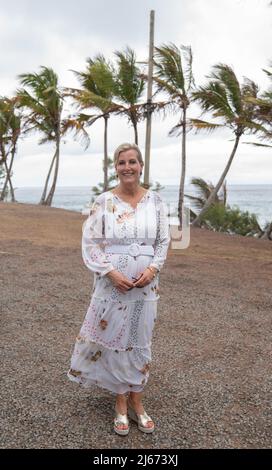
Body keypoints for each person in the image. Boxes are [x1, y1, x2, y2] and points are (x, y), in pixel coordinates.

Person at [67, 142, 170, 436]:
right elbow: (90, 243)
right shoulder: (103, 202)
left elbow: (163, 241)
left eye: (132, 162)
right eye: (121, 162)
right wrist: (110, 272)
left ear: (141, 166)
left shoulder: (157, 202)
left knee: (140, 337)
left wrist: (153, 268)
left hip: (146, 286)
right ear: (116, 168)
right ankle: (121, 403)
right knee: (115, 337)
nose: (127, 167)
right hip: (112, 284)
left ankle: (138, 401)